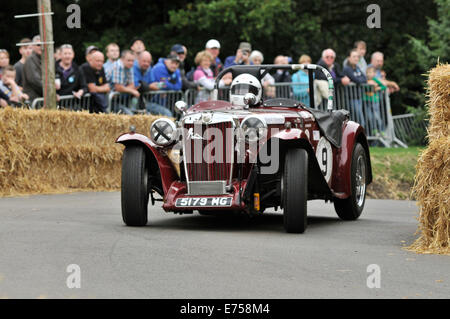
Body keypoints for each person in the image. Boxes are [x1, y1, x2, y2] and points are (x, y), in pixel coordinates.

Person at [133, 50, 172, 116]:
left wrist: (159, 89)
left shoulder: (149, 69)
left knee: (167, 113)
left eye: (148, 62)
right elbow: (136, 85)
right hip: (132, 101)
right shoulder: (132, 67)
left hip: (144, 101)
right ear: (138, 60)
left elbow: (154, 84)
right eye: (144, 61)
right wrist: (149, 87)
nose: (146, 64)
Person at [110, 50, 140, 115]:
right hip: (109, 99)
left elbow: (132, 85)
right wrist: (132, 91)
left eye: (133, 61)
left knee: (134, 113)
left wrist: (124, 88)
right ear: (122, 59)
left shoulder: (130, 67)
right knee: (129, 115)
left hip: (120, 97)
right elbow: (118, 87)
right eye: (129, 60)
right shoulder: (117, 66)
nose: (131, 63)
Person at [343, 48, 367, 127]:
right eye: (354, 57)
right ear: (349, 58)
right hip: (351, 98)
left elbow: (364, 78)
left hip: (359, 97)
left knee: (360, 120)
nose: (356, 58)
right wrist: (359, 80)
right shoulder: (347, 69)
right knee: (359, 121)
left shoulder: (357, 68)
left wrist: (359, 80)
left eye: (357, 57)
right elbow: (357, 80)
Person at [364, 66, 387, 133]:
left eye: (371, 72)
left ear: (374, 74)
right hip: (366, 101)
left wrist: (378, 88)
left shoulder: (375, 79)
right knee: (370, 117)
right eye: (368, 72)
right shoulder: (365, 80)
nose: (369, 74)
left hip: (375, 101)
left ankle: (381, 130)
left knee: (376, 116)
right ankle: (374, 129)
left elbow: (384, 86)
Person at [22, 35, 43, 103]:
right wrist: (49, 92)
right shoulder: (30, 59)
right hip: (33, 99)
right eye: (38, 45)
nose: (41, 47)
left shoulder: (45, 59)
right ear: (33, 46)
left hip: (41, 97)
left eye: (43, 44)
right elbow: (34, 80)